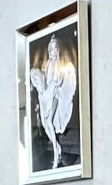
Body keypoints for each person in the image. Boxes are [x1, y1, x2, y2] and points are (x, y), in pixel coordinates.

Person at [29, 35, 78, 168]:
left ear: (57, 50)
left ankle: (57, 152)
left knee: (50, 122)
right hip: (47, 95)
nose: (51, 51)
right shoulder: (48, 63)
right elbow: (45, 80)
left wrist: (57, 82)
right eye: (50, 49)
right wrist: (43, 92)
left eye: (53, 49)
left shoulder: (58, 64)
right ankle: (57, 147)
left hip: (55, 95)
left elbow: (59, 81)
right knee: (46, 124)